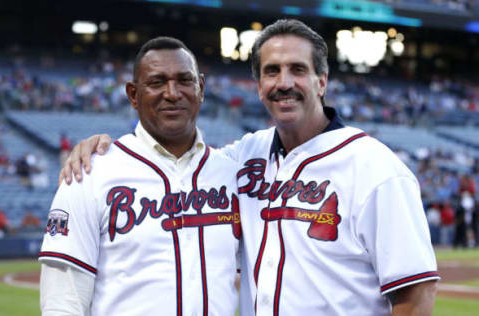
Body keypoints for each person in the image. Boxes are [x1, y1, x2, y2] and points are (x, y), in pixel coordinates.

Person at [60, 19, 439, 316]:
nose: (284, 83)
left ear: (321, 81)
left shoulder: (376, 169)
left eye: (298, 70)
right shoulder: (243, 156)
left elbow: (415, 293)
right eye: (272, 71)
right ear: (258, 86)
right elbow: (177, 156)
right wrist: (100, 148)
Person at [39, 37, 241, 316]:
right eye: (157, 82)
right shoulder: (91, 173)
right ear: (133, 95)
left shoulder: (233, 175)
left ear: (202, 89)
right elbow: (63, 302)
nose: (172, 93)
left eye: (184, 80)